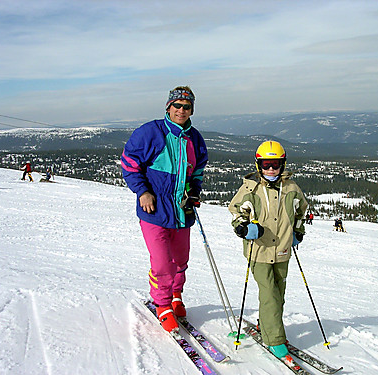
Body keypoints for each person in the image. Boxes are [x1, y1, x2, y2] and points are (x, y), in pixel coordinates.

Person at [121, 86, 208, 333]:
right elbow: (129, 163)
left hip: (181, 211)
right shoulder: (151, 133)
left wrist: (193, 191)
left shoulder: (195, 139)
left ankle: (176, 296)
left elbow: (198, 170)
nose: (181, 110)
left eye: (186, 106)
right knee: (162, 263)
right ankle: (162, 304)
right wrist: (143, 191)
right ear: (168, 107)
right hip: (154, 210)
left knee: (180, 260)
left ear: (192, 109)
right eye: (177, 105)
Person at [229, 140, 308, 360]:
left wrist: (297, 232)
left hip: (282, 250)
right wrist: (244, 228)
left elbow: (302, 211)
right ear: (258, 165)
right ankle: (274, 338)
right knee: (269, 293)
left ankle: (266, 324)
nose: (271, 169)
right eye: (266, 164)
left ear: (283, 164)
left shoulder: (291, 189)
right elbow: (237, 211)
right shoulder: (251, 188)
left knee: (278, 293)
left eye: (275, 164)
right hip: (259, 251)